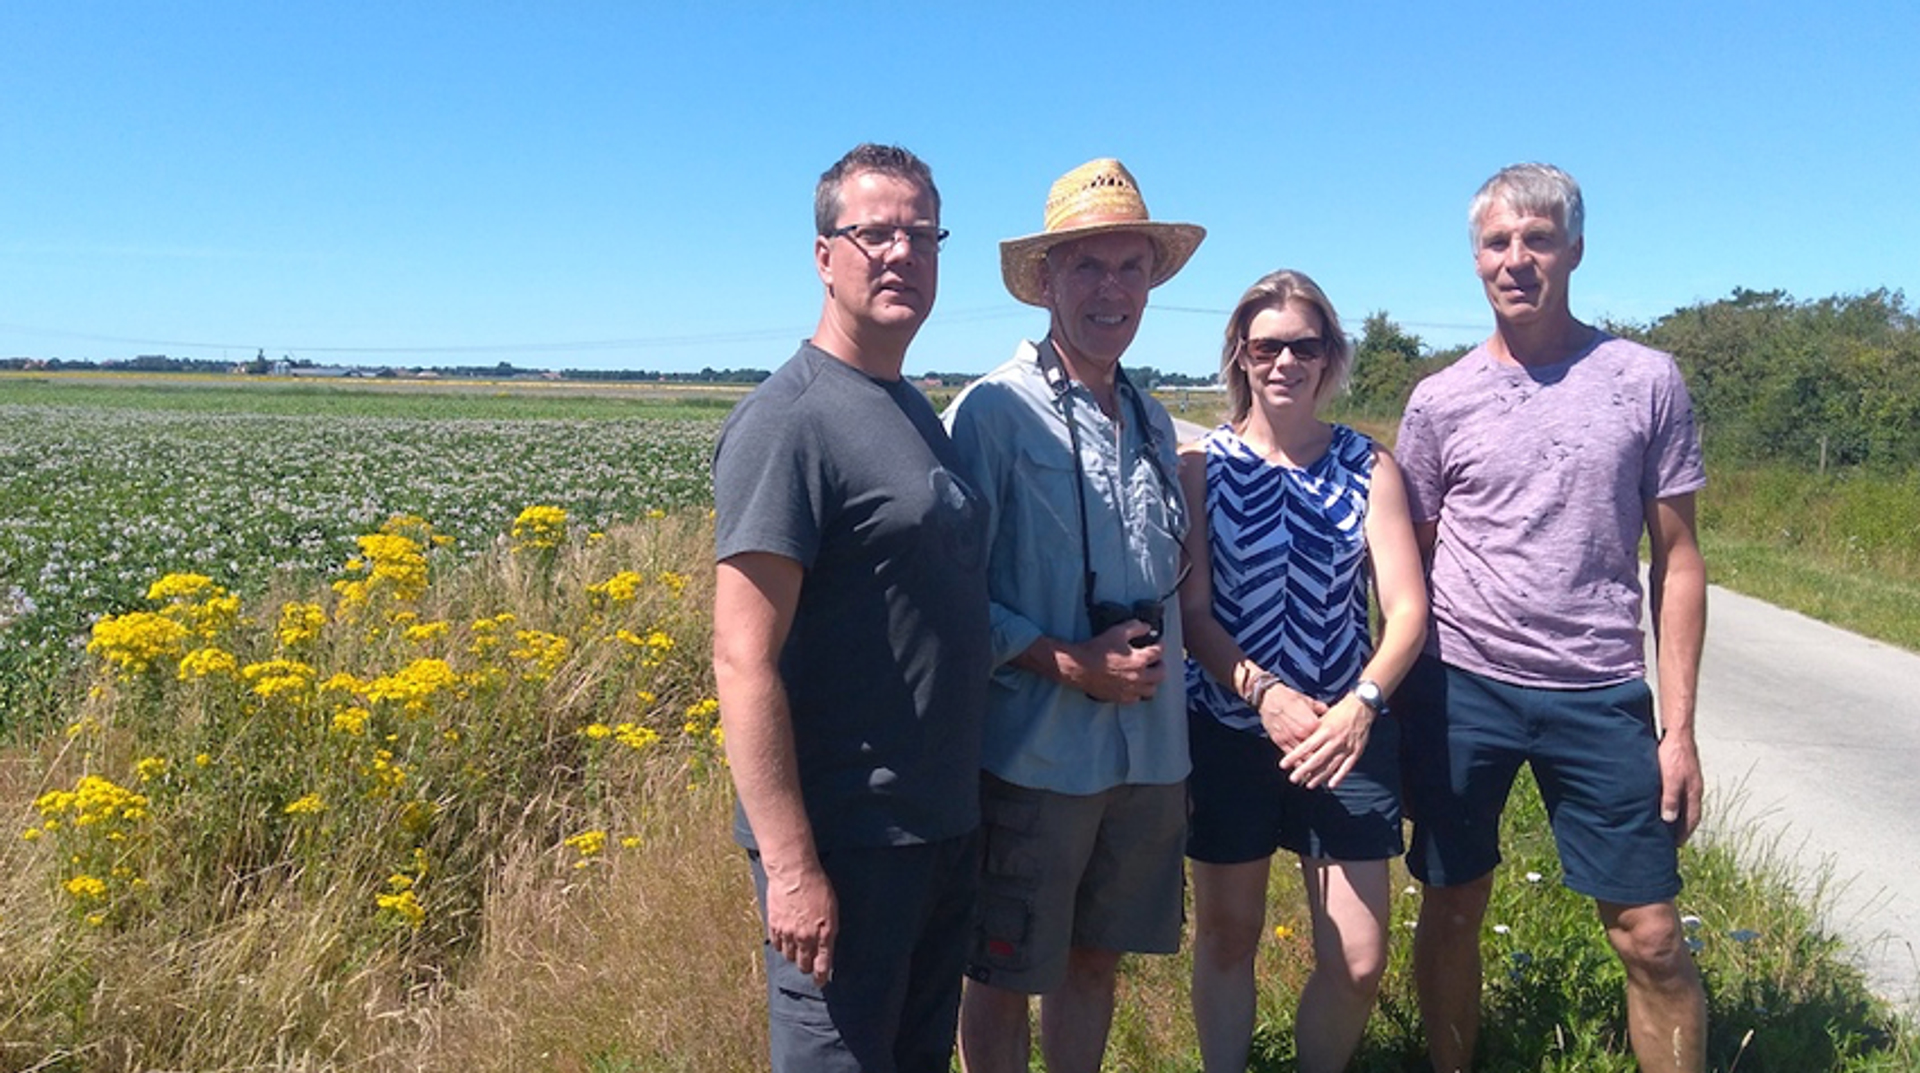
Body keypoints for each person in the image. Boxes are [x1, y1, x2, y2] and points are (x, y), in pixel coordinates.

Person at [1395, 162, 1709, 1072]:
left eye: (1537, 239)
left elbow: (1680, 560)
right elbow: (1407, 570)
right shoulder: (1439, 400)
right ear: (1475, 257)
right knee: (1452, 904)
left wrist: (1678, 729)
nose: (1516, 259)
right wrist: (1404, 707)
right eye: (1497, 242)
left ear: (1575, 248)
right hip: (1463, 689)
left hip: (1601, 688)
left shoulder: (1645, 380)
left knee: (1650, 933)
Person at [710, 142, 990, 1073]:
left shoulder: (910, 409)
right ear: (825, 254)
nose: (900, 253)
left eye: (920, 233)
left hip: (937, 827)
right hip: (851, 840)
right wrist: (792, 868)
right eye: (874, 233)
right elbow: (742, 657)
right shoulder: (791, 420)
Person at [943, 158, 1203, 1073]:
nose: (1112, 290)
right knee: (1004, 970)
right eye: (1088, 267)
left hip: (1150, 753)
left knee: (1096, 961)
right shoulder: (991, 414)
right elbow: (950, 599)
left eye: (1132, 268)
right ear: (1046, 280)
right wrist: (1066, 661)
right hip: (1037, 754)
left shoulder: (1156, 420)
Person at [1178, 269, 1428, 1073]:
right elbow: (1192, 613)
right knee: (1228, 934)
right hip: (1229, 726)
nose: (1285, 361)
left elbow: (1407, 610)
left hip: (1344, 732)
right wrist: (1261, 690)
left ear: (1329, 358)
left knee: (1357, 958)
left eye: (1304, 345)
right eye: (1266, 346)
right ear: (1240, 357)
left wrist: (1360, 704)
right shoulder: (1201, 466)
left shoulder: (1369, 465)